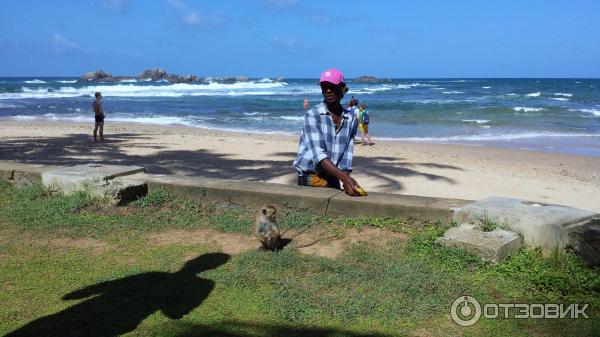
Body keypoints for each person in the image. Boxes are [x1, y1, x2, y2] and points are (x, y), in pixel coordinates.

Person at [293, 69, 365, 196]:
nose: (328, 90)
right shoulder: (313, 115)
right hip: (310, 177)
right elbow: (318, 155)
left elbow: (346, 156)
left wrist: (346, 179)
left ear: (342, 89)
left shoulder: (350, 119)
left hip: (334, 176)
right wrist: (344, 178)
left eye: (332, 86)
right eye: (324, 87)